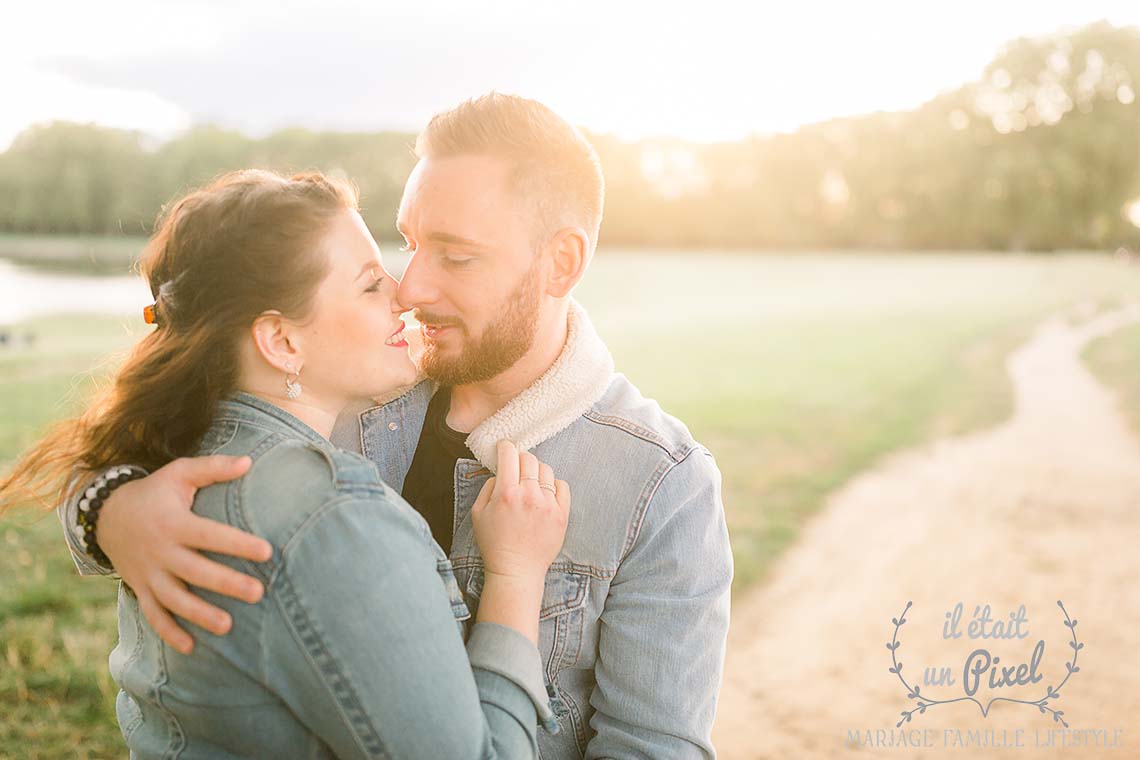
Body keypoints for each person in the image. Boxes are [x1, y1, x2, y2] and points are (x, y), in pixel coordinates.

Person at [60, 93, 734, 759]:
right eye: (409, 244)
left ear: (562, 263)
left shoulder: (661, 483)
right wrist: (108, 511)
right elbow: (156, 448)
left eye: (457, 256)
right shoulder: (339, 386)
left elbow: (652, 749)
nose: (410, 289)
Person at [2, 169, 571, 758]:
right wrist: (516, 577)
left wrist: (104, 506)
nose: (404, 293)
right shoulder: (332, 518)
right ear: (282, 342)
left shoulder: (177, 454)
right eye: (370, 284)